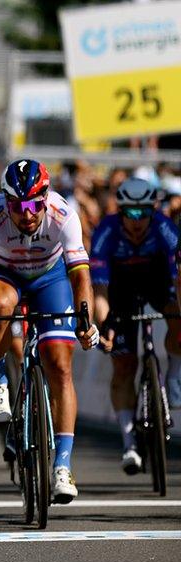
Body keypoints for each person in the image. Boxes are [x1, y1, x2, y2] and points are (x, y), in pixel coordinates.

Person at [0, 159, 99, 504]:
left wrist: (86, 321)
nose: (26, 214)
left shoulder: (63, 214)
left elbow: (80, 276)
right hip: (7, 276)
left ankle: (62, 464)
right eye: (17, 206)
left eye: (33, 205)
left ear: (46, 198)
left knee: (59, 364)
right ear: (5, 203)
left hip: (49, 277)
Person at [91, 177, 181, 473]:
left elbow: (179, 280)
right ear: (121, 210)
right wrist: (104, 325)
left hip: (158, 283)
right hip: (120, 290)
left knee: (177, 318)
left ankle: (173, 378)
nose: (138, 219)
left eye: (145, 212)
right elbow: (100, 292)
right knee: (124, 366)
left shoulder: (165, 228)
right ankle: (129, 443)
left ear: (153, 209)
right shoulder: (106, 230)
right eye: (130, 212)